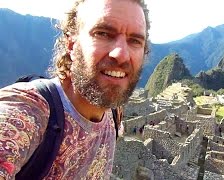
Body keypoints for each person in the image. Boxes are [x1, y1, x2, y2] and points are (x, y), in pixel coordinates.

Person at [0, 0, 150, 179]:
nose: (121, 55)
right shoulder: (27, 113)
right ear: (71, 44)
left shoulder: (113, 114)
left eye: (135, 41)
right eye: (102, 33)